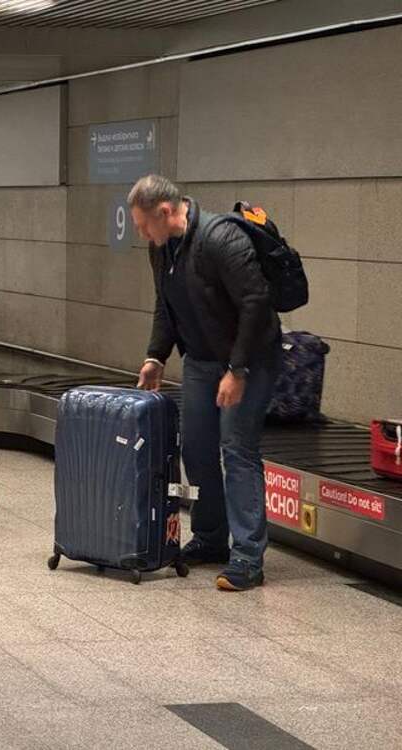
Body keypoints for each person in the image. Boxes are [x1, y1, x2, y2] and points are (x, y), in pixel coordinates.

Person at [130, 174, 281, 592]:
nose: (141, 234)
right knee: (196, 448)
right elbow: (166, 304)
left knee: (237, 448)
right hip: (200, 360)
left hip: (251, 359)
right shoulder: (161, 248)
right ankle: (211, 538)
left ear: (165, 211)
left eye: (143, 225)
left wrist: (238, 369)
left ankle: (247, 558)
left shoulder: (221, 238)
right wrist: (156, 356)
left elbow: (256, 303)